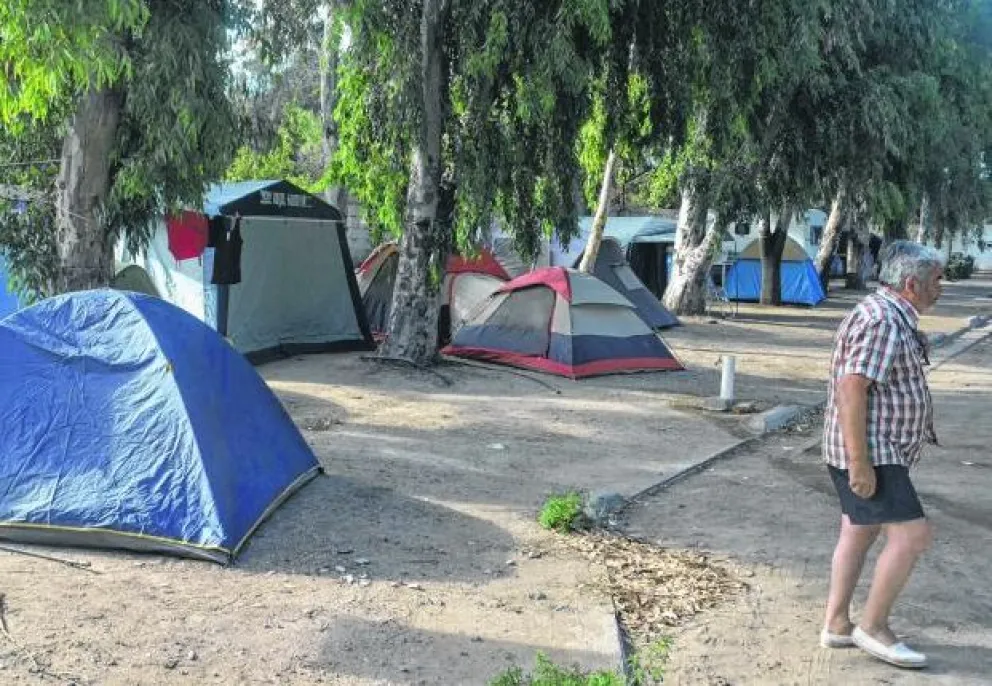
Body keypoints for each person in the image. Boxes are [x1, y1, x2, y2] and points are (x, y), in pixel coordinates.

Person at [820, 240, 945, 669]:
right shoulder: (882, 321)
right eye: (936, 280)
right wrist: (860, 462)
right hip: (874, 451)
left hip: (876, 448)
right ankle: (873, 628)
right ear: (911, 284)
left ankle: (837, 624)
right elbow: (851, 387)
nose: (940, 288)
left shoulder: (887, 314)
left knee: (859, 531)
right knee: (912, 536)